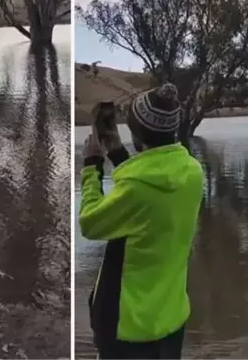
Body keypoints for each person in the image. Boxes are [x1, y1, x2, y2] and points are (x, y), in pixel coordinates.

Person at [79, 83, 204, 360]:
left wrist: (91, 168)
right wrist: (115, 152)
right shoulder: (193, 173)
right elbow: (147, 180)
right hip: (170, 317)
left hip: (126, 326)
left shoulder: (136, 190)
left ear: (136, 134)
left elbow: (89, 222)